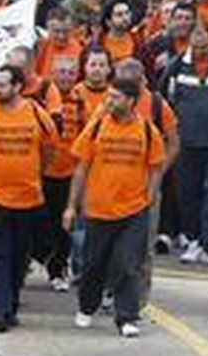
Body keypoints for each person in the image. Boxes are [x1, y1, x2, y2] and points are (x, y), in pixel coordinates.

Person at [63, 76, 165, 338]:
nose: (109, 101)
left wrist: (149, 197)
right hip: (98, 209)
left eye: (115, 97)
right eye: (108, 96)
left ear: (130, 101)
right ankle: (87, 306)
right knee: (94, 263)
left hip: (133, 210)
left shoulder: (147, 130)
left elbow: (155, 167)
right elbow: (81, 168)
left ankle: (127, 317)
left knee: (128, 263)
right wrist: (71, 207)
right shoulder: (97, 127)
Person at [0, 65, 58, 333]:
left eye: (3, 85)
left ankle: (11, 304)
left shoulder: (38, 115)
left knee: (19, 257)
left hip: (27, 200)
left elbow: (49, 150)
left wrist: (33, 175)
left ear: (18, 86)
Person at [162, 17, 208, 265]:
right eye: (196, 37)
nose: (200, 44)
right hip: (186, 140)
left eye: (204, 37)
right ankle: (193, 239)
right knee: (188, 191)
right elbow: (163, 100)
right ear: (190, 39)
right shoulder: (177, 67)